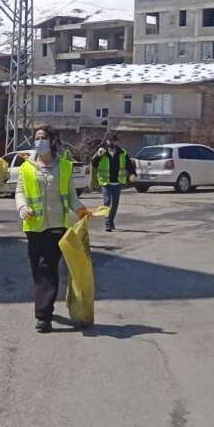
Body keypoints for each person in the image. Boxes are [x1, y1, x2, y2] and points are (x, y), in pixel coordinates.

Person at [16, 126, 93, 333]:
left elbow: (71, 196)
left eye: (43, 137)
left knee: (47, 267)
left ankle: (44, 316)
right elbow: (20, 192)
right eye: (37, 138)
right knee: (36, 268)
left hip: (58, 226)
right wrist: (23, 207)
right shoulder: (26, 167)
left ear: (52, 141)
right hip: (33, 226)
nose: (39, 141)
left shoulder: (64, 167)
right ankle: (45, 302)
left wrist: (82, 210)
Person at [91, 132, 135, 232]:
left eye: (113, 141)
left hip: (117, 183)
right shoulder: (102, 152)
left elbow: (128, 164)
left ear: (116, 141)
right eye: (109, 140)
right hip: (106, 182)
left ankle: (111, 221)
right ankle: (107, 224)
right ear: (107, 141)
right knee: (107, 202)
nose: (111, 142)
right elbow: (94, 164)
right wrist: (98, 156)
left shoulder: (122, 152)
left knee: (115, 204)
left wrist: (133, 173)